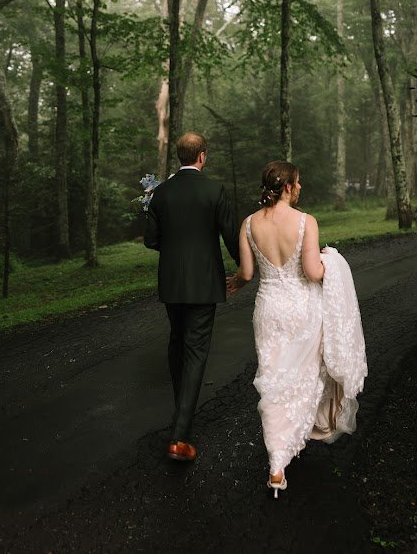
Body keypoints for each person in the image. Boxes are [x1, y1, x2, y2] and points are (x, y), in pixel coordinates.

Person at [227, 160, 367, 497]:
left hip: (269, 308)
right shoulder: (306, 222)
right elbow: (314, 272)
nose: (301, 187)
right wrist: (330, 257)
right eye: (298, 182)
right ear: (288, 186)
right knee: (302, 375)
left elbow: (246, 274)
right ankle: (288, 443)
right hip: (302, 310)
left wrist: (230, 284)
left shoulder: (248, 224)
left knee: (273, 378)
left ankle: (278, 463)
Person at [144, 132, 239, 462]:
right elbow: (230, 235)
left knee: (177, 341)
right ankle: (179, 437)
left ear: (180, 157)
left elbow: (150, 240)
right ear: (202, 156)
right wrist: (246, 269)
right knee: (196, 351)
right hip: (203, 283)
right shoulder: (214, 190)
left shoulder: (160, 193)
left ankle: (181, 410)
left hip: (171, 282)